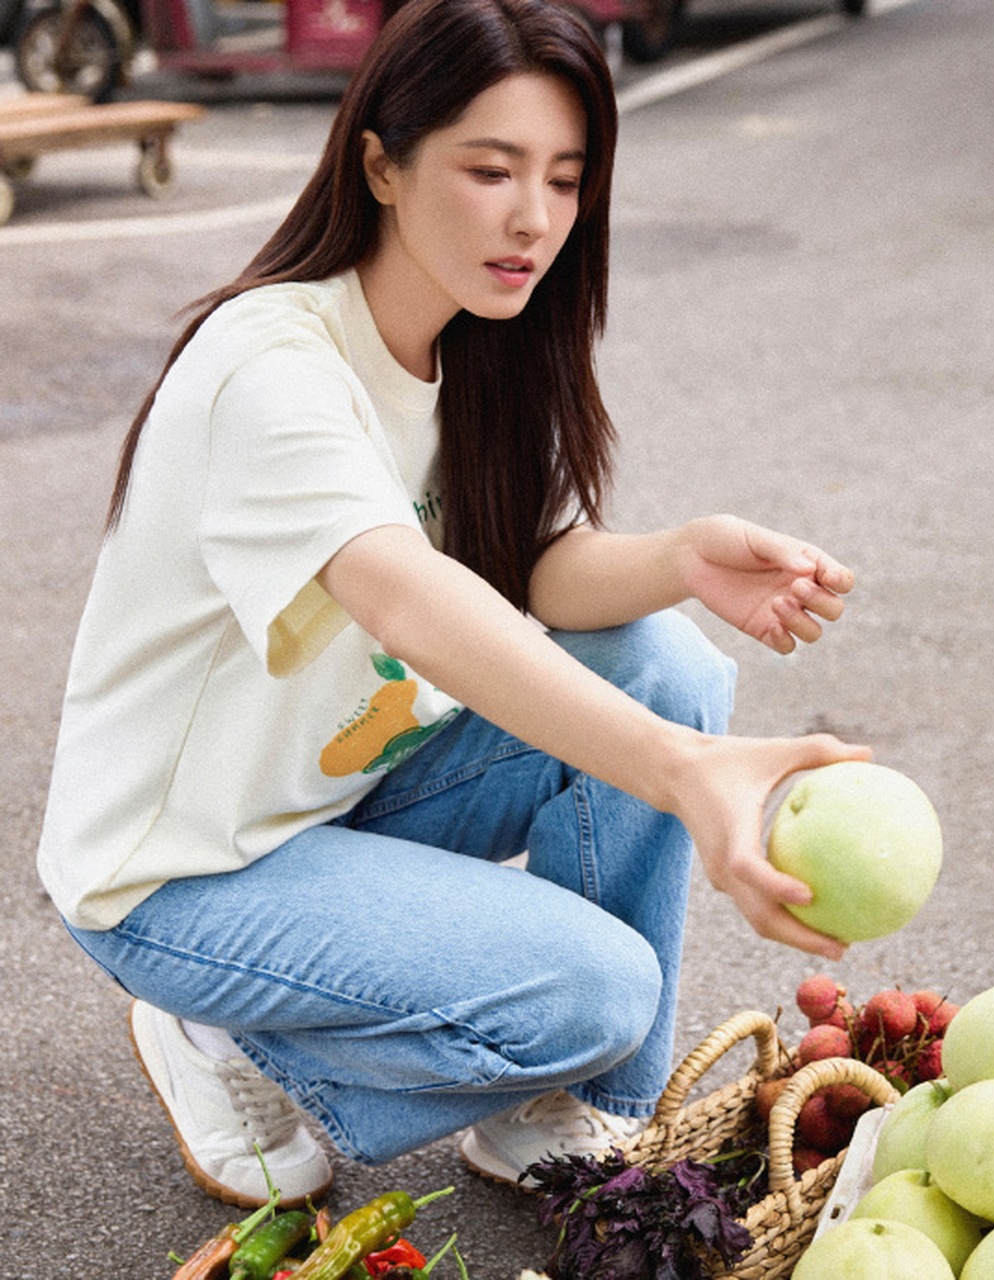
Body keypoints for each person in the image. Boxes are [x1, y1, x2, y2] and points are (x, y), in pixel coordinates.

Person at [36, 0, 869, 1212]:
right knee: (594, 986)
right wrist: (684, 772)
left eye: (564, 179)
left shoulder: (471, 344)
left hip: (331, 800)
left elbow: (516, 563)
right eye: (490, 170)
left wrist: (679, 556)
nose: (532, 217)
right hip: (178, 871)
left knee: (665, 661)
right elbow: (407, 589)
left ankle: (571, 1114)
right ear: (379, 161)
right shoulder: (270, 366)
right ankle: (227, 1033)